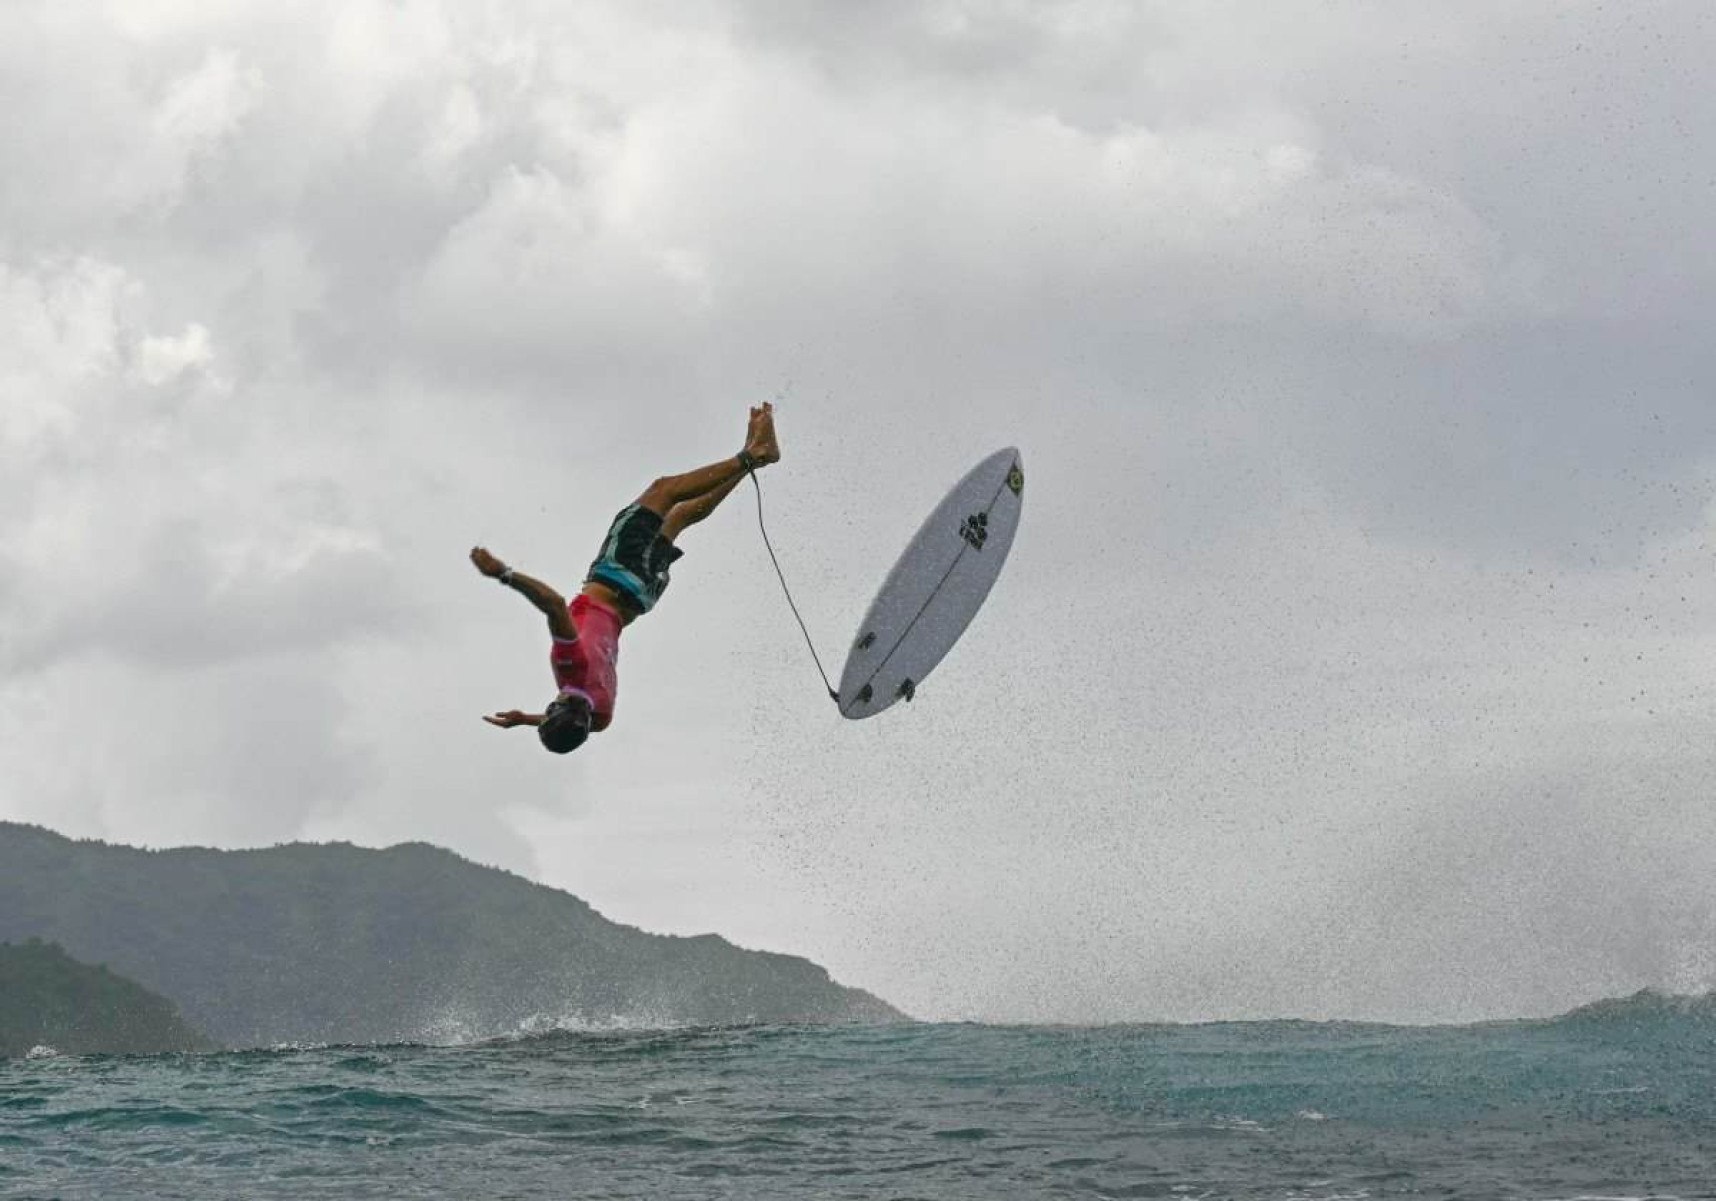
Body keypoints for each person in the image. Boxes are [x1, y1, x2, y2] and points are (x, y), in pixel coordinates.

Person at [468, 404, 780, 754]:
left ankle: (756, 460)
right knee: (663, 492)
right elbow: (553, 604)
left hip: (642, 595)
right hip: (616, 576)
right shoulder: (569, 666)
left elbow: (572, 718)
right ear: (556, 706)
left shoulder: (601, 716)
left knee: (678, 519)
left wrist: (525, 718)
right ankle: (752, 454)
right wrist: (504, 574)